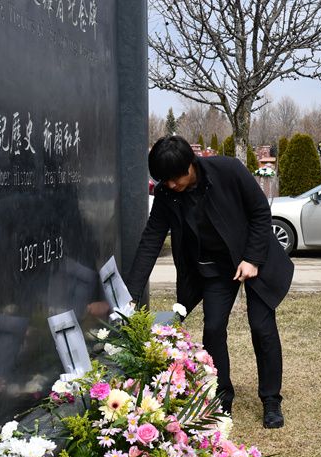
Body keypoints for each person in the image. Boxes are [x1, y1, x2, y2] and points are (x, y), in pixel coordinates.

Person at [124, 136, 294, 428]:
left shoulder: (228, 170)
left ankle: (271, 399)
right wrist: (131, 293)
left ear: (191, 165)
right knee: (213, 328)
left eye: (175, 179)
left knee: (261, 326)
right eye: (164, 181)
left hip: (254, 257)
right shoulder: (168, 194)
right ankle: (221, 394)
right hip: (215, 267)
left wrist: (252, 259)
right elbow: (151, 239)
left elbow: (259, 212)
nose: (170, 186)